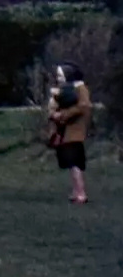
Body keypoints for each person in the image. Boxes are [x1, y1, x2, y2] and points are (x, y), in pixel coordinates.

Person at [47, 62, 90, 205]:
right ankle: (76, 192)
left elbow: (83, 106)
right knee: (70, 163)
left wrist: (63, 115)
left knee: (74, 162)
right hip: (65, 131)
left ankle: (81, 193)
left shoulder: (80, 88)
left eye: (61, 75)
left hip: (74, 131)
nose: (59, 78)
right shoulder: (63, 89)